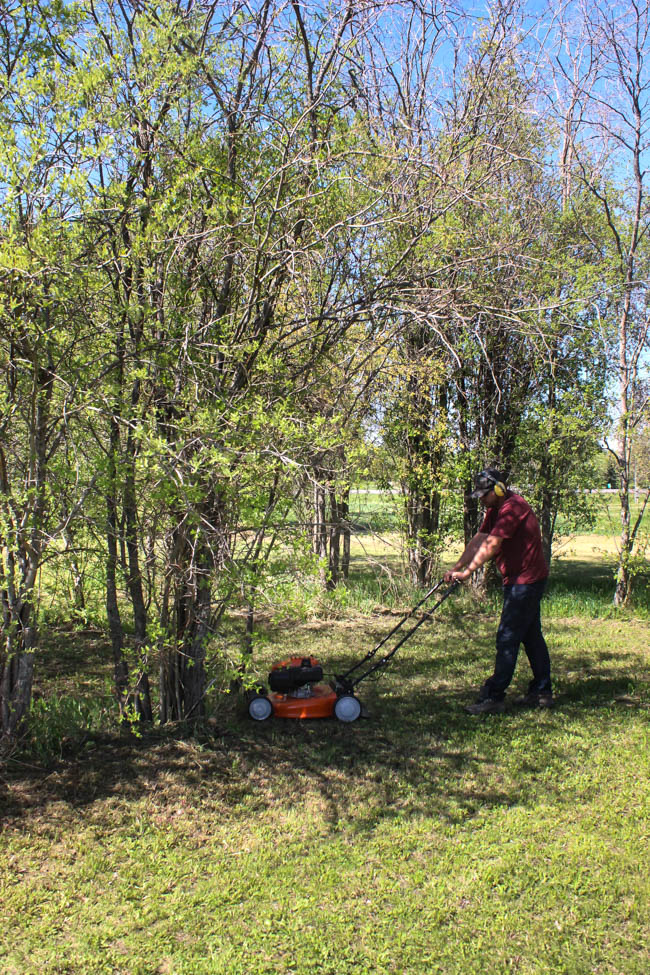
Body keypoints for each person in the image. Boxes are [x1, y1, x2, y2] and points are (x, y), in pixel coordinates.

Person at [444, 468, 553, 714]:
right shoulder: (495, 509)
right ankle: (542, 692)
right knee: (531, 636)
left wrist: (469, 572)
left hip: (526, 581)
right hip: (520, 580)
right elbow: (479, 539)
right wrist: (457, 567)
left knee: (507, 638)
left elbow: (493, 545)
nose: (481, 499)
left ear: (499, 489)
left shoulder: (513, 508)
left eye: (484, 494)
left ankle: (494, 696)